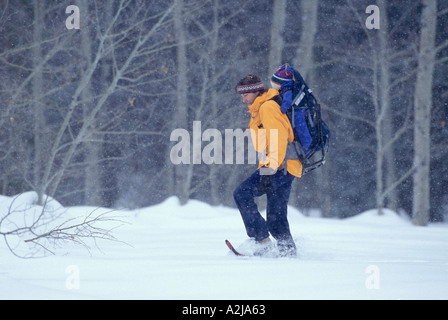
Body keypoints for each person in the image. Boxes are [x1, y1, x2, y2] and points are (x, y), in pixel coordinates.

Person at [233, 71, 302, 258]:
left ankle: (261, 241)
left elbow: (278, 138)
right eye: (241, 96)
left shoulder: (267, 108)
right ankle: (288, 252)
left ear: (256, 92)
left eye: (245, 95)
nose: (243, 99)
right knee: (276, 217)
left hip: (279, 166)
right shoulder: (260, 109)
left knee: (241, 193)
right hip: (288, 166)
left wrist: (268, 170)